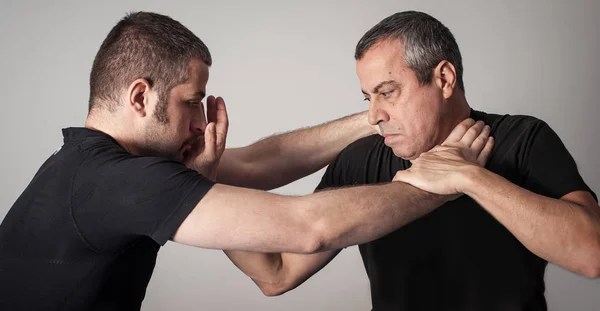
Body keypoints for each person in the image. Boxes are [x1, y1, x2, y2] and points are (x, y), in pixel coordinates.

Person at [0, 11, 492, 311]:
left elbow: (263, 162)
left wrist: (380, 115)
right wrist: (440, 179)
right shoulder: (120, 182)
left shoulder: (86, 166)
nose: (200, 122)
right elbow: (310, 227)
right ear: (139, 96)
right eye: (192, 102)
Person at [225, 10, 600, 311]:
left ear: (445, 78)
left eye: (387, 92)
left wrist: (469, 177)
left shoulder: (523, 139)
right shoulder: (359, 159)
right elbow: (276, 275)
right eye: (367, 98)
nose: (373, 116)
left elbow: (591, 253)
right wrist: (201, 181)